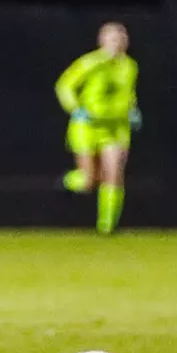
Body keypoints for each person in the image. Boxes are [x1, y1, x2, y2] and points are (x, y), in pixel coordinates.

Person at [55, 22, 140, 234]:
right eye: (112, 38)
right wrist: (75, 109)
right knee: (89, 180)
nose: (118, 42)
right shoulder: (91, 63)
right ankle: (67, 182)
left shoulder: (130, 66)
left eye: (121, 37)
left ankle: (106, 227)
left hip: (115, 127)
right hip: (87, 126)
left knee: (114, 173)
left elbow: (128, 94)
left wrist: (133, 110)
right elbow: (64, 85)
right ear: (101, 41)